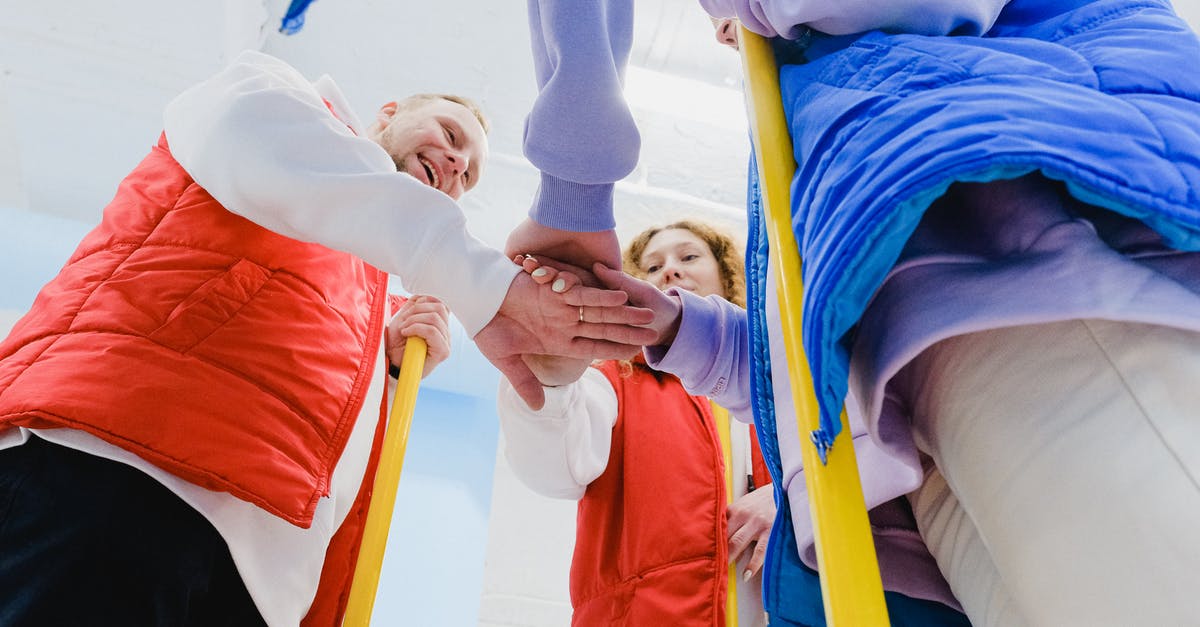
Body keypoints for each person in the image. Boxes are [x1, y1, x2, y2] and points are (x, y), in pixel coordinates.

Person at [538, 1, 1200, 625]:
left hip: (1040, 255)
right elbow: (802, 364)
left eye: (686, 257)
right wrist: (681, 328)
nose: (671, 270)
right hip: (910, 441)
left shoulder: (823, 71)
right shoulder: (803, 121)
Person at [0, 50, 653, 626]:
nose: (457, 166)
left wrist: (388, 374)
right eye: (451, 136)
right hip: (116, 476)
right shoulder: (274, 97)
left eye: (470, 176)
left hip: (254, 585)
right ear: (387, 112)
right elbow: (257, 145)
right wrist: (487, 286)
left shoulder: (372, 293)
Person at [500, 221, 775, 626]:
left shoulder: (778, 388)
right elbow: (552, 465)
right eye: (651, 267)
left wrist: (789, 500)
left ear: (728, 275)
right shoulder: (611, 380)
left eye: (689, 256)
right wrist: (550, 376)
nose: (670, 270)